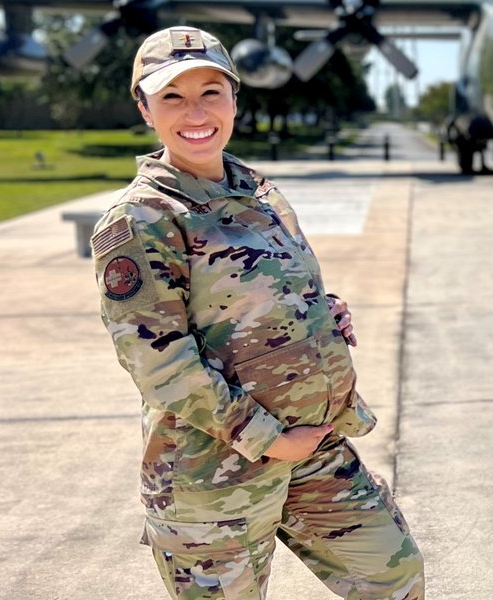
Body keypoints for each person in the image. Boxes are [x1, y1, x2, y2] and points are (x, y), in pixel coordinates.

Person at [89, 26, 424, 600]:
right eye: (172, 96)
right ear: (144, 108)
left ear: (235, 100)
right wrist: (269, 438)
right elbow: (160, 364)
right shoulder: (142, 219)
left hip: (314, 449)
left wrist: (323, 312)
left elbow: (271, 288)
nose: (196, 111)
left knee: (392, 576)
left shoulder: (256, 190)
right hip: (214, 475)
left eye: (211, 92)